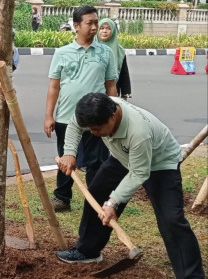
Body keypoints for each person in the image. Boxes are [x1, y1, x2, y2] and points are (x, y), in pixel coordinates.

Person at [56, 93, 205, 279]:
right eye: (90, 129)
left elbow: (139, 173)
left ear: (112, 116)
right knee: (97, 194)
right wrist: (70, 152)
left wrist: (113, 202)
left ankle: (191, 276)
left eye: (96, 129)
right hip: (122, 157)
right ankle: (88, 251)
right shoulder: (98, 110)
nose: (93, 133)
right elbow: (74, 124)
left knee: (171, 219)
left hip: (159, 164)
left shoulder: (138, 132)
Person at [44, 5, 118, 212]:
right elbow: (54, 86)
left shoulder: (106, 52)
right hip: (66, 117)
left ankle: (94, 199)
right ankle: (62, 197)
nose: (94, 27)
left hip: (97, 119)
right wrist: (49, 115)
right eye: (90, 23)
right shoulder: (62, 53)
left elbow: (111, 85)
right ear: (76, 26)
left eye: (96, 22)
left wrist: (114, 114)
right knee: (67, 159)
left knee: (97, 162)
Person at [96, 18, 132, 99]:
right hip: (93, 91)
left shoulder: (119, 50)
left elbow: (123, 73)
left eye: (108, 28)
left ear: (114, 31)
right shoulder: (91, 48)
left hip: (113, 91)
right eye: (101, 28)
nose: (104, 31)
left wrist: (125, 94)